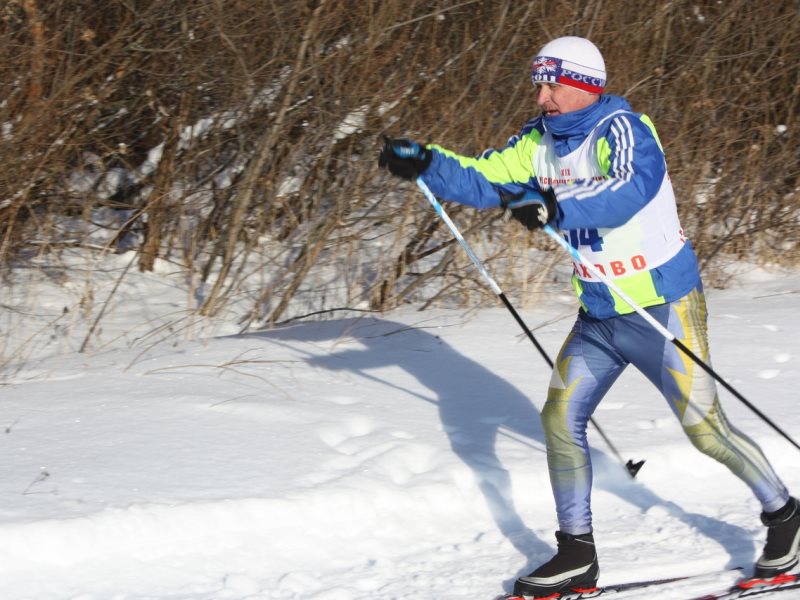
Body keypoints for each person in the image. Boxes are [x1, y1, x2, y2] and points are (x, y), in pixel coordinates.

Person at [378, 36, 799, 597]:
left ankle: (785, 516)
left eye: (553, 84)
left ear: (584, 86)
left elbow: (628, 190)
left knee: (704, 429)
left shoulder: (623, 131)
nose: (543, 95)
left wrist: (556, 205)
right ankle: (577, 553)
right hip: (601, 314)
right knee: (559, 418)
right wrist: (427, 162)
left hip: (662, 308)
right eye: (538, 84)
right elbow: (485, 179)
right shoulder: (536, 141)